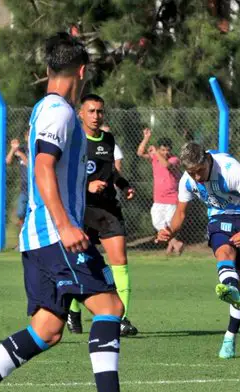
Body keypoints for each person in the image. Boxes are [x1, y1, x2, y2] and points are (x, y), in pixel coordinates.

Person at [0, 32, 163, 392]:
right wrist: (65, 223)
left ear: (47, 70)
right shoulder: (60, 112)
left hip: (41, 238)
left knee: (47, 330)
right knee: (110, 308)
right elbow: (43, 167)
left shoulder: (48, 107)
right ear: (82, 71)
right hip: (55, 236)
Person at [157, 143, 240, 359]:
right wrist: (168, 230)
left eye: (200, 171)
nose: (197, 177)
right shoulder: (187, 181)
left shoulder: (229, 168)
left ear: (207, 159)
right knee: (224, 253)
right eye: (191, 172)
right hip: (219, 217)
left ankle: (230, 336)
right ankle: (229, 288)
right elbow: (180, 214)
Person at [66, 93, 138, 337]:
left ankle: (121, 318)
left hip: (107, 210)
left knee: (120, 261)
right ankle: (73, 309)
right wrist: (86, 186)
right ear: (81, 114)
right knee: (82, 262)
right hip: (81, 209)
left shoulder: (108, 139)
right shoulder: (74, 141)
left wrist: (124, 185)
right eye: (91, 111)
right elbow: (64, 176)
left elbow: (111, 173)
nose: (96, 116)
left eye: (100, 111)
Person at [137, 128, 184, 254]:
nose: (165, 152)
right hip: (158, 198)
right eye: (163, 150)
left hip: (171, 199)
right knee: (157, 222)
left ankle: (172, 246)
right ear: (159, 149)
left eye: (167, 150)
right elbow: (140, 152)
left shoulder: (174, 159)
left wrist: (156, 153)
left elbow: (166, 165)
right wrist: (146, 138)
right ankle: (175, 244)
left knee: (169, 225)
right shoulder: (155, 157)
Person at [6, 132, 29, 237]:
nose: (29, 138)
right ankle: (21, 239)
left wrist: (21, 155)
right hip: (24, 189)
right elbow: (8, 161)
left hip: (35, 189)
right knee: (21, 214)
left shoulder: (36, 149)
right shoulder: (22, 149)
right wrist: (13, 149)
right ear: (25, 137)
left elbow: (30, 165)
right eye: (28, 136)